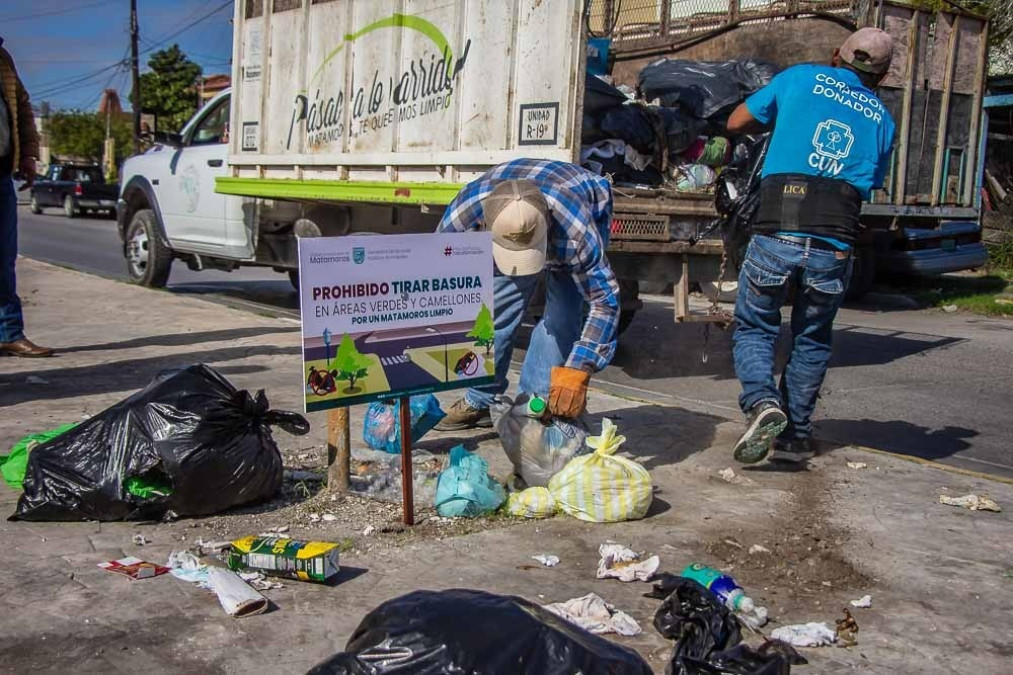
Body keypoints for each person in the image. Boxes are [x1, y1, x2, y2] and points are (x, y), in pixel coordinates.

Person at [725, 28, 896, 464]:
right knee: (813, 339)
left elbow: (737, 122)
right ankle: (796, 434)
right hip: (833, 243)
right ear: (883, 74)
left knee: (756, 327)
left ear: (836, 54)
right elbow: (870, 181)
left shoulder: (800, 77)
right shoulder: (882, 118)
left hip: (776, 231)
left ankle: (763, 404)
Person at [434, 159, 621, 430]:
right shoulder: (465, 213)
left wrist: (581, 366)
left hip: (582, 203)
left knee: (562, 317)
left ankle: (533, 406)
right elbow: (433, 275)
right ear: (487, 225)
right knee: (493, 314)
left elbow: (604, 301)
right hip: (519, 208)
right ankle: (480, 398)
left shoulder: (576, 233)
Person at [1, 38, 51, 357]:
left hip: (1, 173)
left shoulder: (2, 58)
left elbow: (21, 106)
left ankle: (8, 333)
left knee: (4, 258)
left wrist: (29, 155)